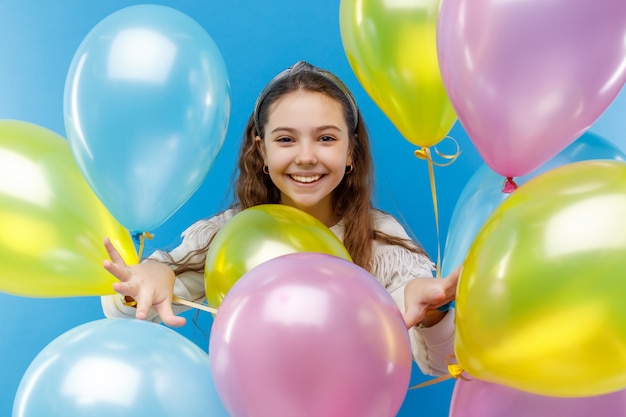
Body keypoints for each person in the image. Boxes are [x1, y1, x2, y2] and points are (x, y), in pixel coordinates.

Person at [101, 61, 460, 376]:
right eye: (286, 139)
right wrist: (152, 276)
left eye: (325, 138)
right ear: (263, 152)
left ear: (350, 151)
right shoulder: (231, 236)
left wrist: (432, 313)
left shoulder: (378, 239)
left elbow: (443, 363)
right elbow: (122, 310)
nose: (306, 156)